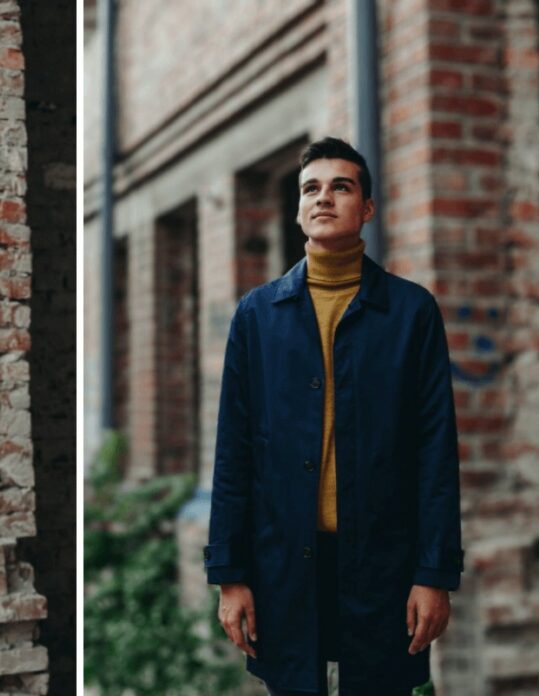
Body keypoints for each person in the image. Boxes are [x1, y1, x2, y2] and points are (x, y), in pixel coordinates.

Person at [205, 137, 463, 695]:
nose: (324, 198)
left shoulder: (411, 312)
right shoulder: (257, 317)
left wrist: (434, 574)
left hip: (383, 562)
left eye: (341, 186)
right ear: (298, 208)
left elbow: (435, 452)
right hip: (285, 563)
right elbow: (234, 452)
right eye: (311, 189)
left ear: (366, 207)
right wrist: (229, 575)